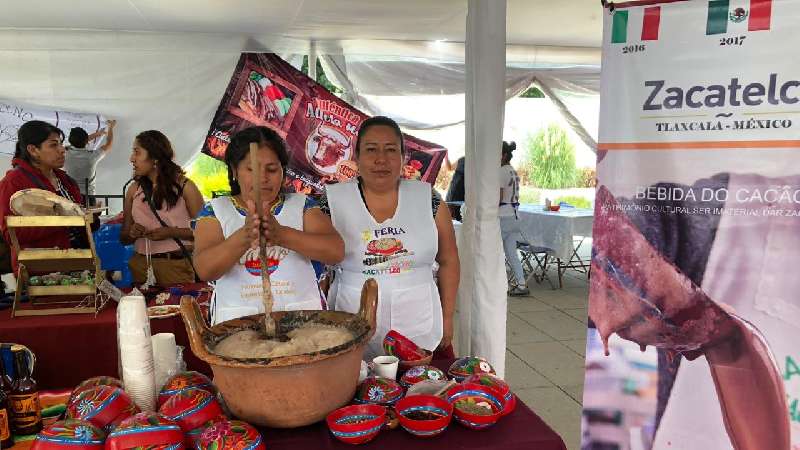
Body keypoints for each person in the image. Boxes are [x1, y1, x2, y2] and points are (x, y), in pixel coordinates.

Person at [320, 116, 460, 360]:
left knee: (417, 392)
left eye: (391, 150)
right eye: (371, 149)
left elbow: (449, 260)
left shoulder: (429, 199)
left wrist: (448, 318)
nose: (381, 159)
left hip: (419, 325)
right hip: (351, 324)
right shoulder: (330, 201)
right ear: (356, 156)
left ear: (404, 156)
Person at [192, 126, 344, 325]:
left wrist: (281, 235)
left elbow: (335, 251)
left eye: (272, 169)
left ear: (283, 171)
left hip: (304, 326)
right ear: (234, 170)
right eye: (251, 169)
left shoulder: (302, 206)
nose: (263, 178)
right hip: (238, 329)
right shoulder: (215, 212)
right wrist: (245, 236)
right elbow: (205, 270)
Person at [0, 121, 87, 271]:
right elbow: (10, 234)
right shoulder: (13, 183)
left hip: (76, 262)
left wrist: (89, 219)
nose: (62, 150)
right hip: (41, 271)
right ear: (33, 150)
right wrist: (61, 219)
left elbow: (77, 220)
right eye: (53, 145)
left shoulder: (66, 181)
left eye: (61, 144)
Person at [120, 130, 203, 286]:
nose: (132, 159)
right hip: (140, 267)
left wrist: (171, 232)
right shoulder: (133, 189)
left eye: (137, 153)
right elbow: (124, 238)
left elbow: (205, 232)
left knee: (176, 309)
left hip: (175, 267)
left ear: (155, 158)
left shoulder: (186, 187)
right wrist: (132, 233)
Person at [499, 141, 528, 296]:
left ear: (503, 155)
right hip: (514, 215)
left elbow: (498, 197)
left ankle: (496, 285)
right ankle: (521, 284)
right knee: (511, 253)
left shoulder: (501, 171)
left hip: (503, 216)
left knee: (495, 252)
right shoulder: (513, 171)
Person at [64, 120, 116, 200]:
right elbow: (109, 144)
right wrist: (111, 127)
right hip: (88, 198)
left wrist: (97, 134)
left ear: (70, 140)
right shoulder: (92, 157)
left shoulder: (64, 153)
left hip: (69, 195)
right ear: (86, 141)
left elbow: (79, 141)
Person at [445, 156, 465, 221]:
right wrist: (446, 158)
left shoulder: (480, 163)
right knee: (449, 217)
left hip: (461, 195)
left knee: (458, 218)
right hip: (452, 192)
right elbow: (450, 167)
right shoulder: (462, 159)